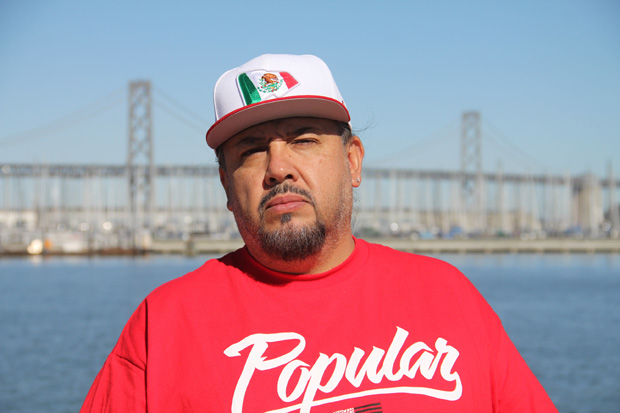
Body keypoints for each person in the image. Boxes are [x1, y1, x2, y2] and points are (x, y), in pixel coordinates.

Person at [81, 54, 557, 412]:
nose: (278, 167)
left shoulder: (449, 296)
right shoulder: (163, 326)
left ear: (353, 162)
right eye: (251, 150)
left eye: (304, 140)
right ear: (226, 184)